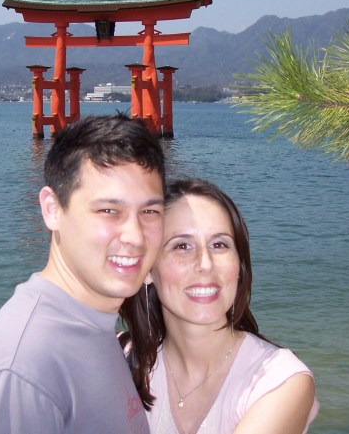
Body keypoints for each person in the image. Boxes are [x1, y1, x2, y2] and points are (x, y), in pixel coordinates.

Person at [0, 113, 166, 433]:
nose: (135, 235)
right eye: (109, 211)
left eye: (149, 211)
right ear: (52, 209)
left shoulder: (93, 325)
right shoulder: (19, 371)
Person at [120, 178, 318, 434]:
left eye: (219, 244)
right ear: (147, 269)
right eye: (182, 245)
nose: (205, 263)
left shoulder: (280, 381)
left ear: (239, 264)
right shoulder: (118, 359)